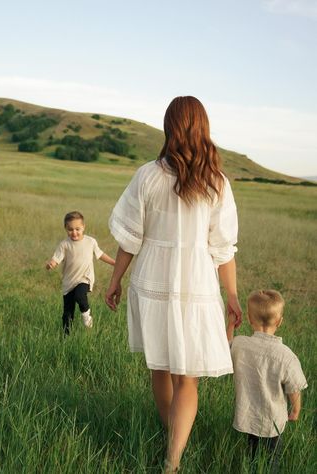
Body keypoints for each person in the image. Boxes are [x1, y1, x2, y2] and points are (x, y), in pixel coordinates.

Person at [105, 96, 242, 472]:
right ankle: (174, 457)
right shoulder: (216, 182)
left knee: (161, 368)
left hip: (152, 280)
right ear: (203, 128)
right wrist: (231, 294)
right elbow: (222, 248)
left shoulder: (147, 175)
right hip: (197, 283)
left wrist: (115, 280)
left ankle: (172, 437)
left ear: (169, 127)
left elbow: (130, 237)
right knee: (188, 378)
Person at [227, 289, 307, 472]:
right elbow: (294, 388)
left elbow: (226, 346)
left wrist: (231, 324)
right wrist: (295, 409)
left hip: (248, 417)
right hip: (273, 422)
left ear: (249, 318)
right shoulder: (286, 356)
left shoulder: (240, 345)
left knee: (252, 456)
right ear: (280, 321)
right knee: (271, 462)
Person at [46, 211, 115, 335]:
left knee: (80, 296)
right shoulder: (64, 245)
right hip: (69, 282)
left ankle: (87, 317)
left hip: (85, 278)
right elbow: (56, 258)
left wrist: (115, 263)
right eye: (70, 229)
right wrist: (51, 264)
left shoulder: (91, 242)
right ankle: (65, 337)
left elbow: (100, 254)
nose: (74, 232)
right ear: (65, 229)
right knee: (67, 313)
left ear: (83, 227)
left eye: (77, 229)